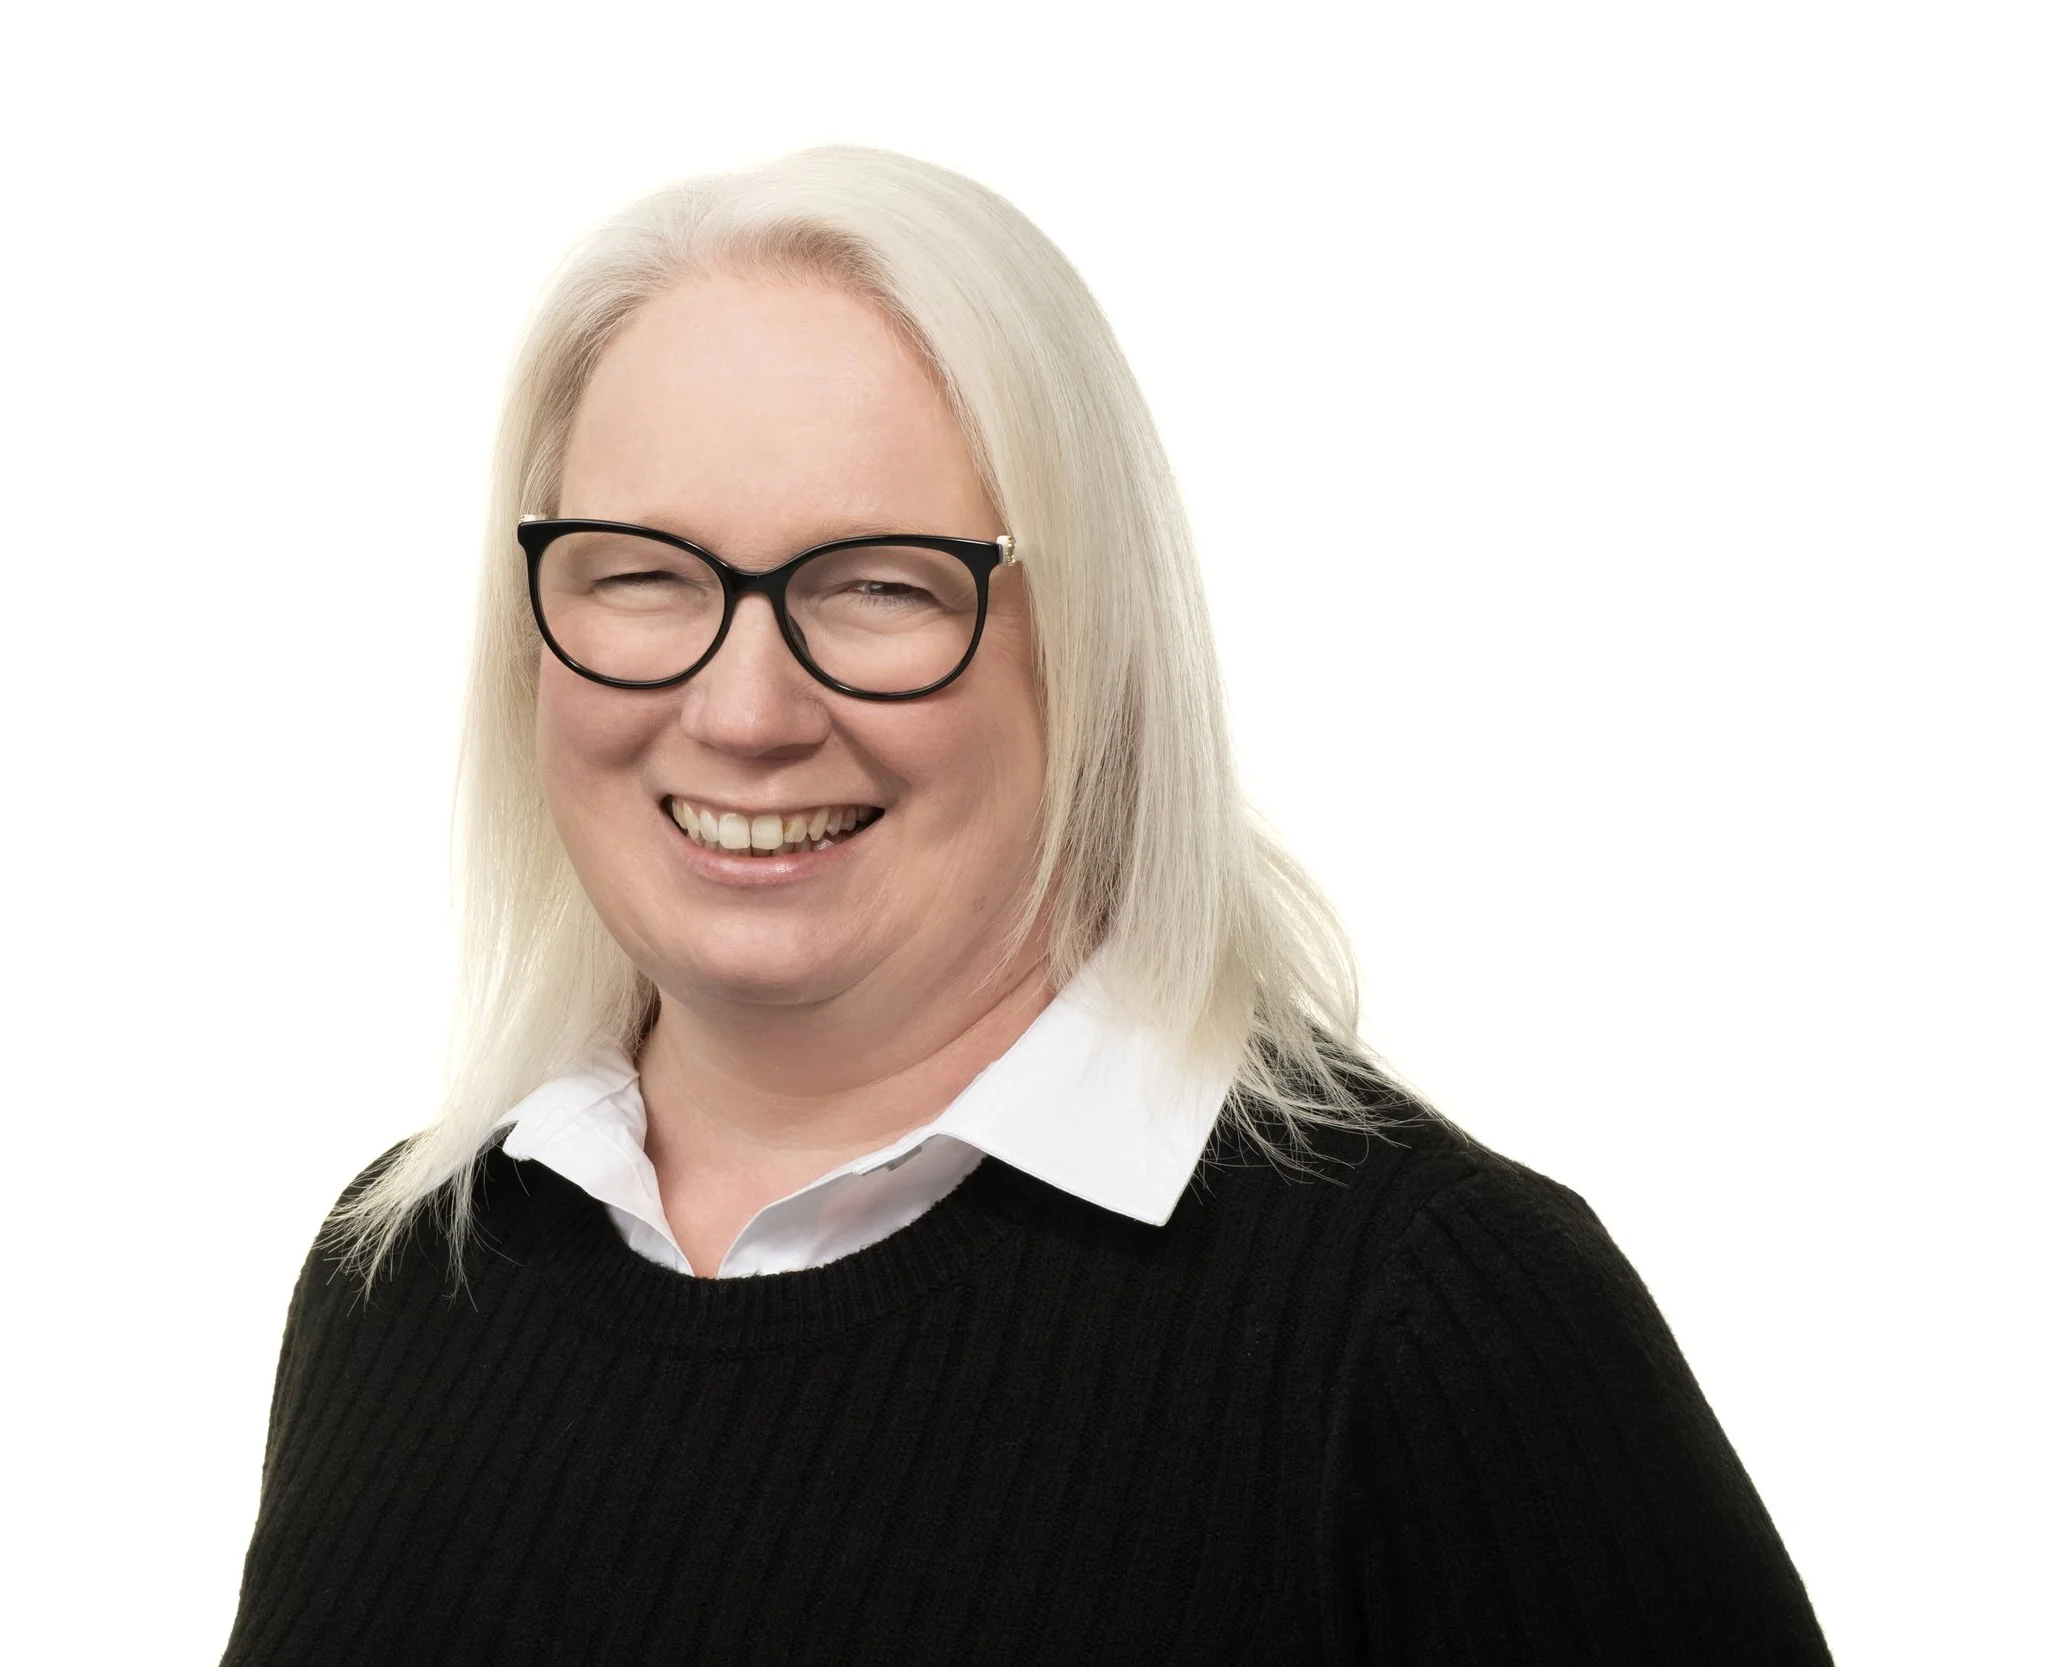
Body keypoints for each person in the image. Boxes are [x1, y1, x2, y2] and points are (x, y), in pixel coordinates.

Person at [220, 147, 1830, 1665]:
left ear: (1093, 642)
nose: (747, 709)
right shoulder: (403, 1275)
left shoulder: (1424, 1326)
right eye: (642, 573)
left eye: (879, 583)